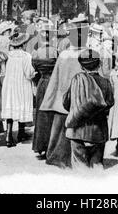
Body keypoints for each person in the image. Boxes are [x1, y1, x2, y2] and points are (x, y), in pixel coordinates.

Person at [39, 14, 89, 168]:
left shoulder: (64, 55)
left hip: (63, 99)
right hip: (80, 99)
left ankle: (57, 156)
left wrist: (51, 99)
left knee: (60, 129)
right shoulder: (87, 55)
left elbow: (55, 79)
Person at [63, 49, 114, 169]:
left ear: (81, 66)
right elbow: (110, 103)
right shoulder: (105, 82)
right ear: (99, 63)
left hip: (77, 130)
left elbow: (66, 103)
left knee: (80, 168)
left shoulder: (76, 80)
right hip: (98, 130)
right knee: (97, 166)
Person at [1, 32, 36, 147]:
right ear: (23, 44)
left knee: (10, 106)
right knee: (22, 105)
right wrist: (34, 74)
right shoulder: (26, 56)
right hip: (22, 83)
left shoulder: (8, 55)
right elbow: (28, 74)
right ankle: (21, 132)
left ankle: (9, 135)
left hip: (10, 84)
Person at [32, 25, 58, 156]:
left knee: (41, 114)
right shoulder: (55, 51)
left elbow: (34, 67)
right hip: (53, 83)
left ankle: (41, 145)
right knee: (52, 113)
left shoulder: (36, 53)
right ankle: (51, 145)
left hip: (42, 82)